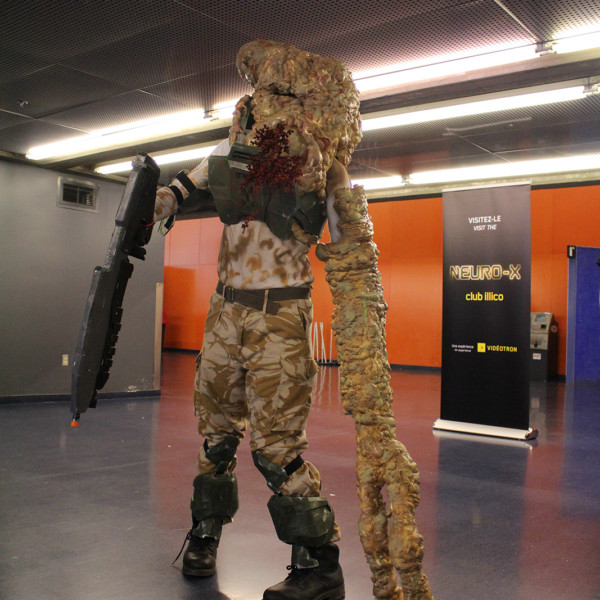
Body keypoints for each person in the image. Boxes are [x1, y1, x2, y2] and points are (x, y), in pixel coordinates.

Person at [154, 40, 361, 600]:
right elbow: (192, 181)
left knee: (276, 447)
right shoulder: (235, 152)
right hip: (226, 310)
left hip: (279, 317)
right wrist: (164, 199)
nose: (264, 112)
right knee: (215, 435)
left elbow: (351, 251)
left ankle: (320, 564)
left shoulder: (323, 168)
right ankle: (204, 535)